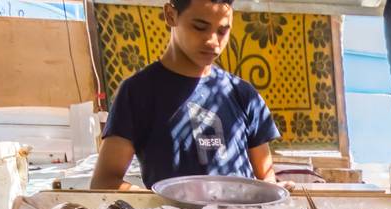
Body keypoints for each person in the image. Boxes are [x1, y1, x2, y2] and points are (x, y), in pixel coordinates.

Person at [91, 0, 279, 190]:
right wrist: (160, 203)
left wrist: (276, 189)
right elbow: (104, 182)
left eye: (222, 31)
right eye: (199, 27)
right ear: (170, 15)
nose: (213, 42)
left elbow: (266, 178)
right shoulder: (137, 93)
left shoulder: (243, 95)